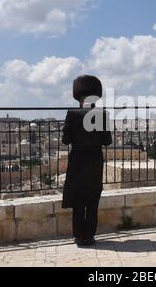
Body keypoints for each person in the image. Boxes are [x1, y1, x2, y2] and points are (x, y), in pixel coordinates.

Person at [61, 75, 112, 247]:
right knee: (92, 202)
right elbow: (107, 141)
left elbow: (65, 141)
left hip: (77, 161)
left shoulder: (72, 114)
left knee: (78, 201)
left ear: (79, 98)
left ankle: (78, 237)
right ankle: (89, 236)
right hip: (95, 161)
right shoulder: (102, 115)